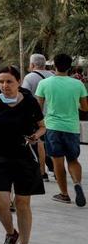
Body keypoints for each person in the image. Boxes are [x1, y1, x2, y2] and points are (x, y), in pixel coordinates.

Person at [0, 66, 45, 244]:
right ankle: (10, 233)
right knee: (1, 201)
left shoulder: (30, 102)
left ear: (18, 82)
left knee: (23, 203)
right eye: (1, 82)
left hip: (25, 159)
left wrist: (35, 136)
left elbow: (42, 127)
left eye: (9, 81)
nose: (4, 86)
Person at [36, 53, 88, 207]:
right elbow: (85, 107)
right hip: (72, 127)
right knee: (73, 159)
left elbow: (37, 108)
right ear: (69, 67)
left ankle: (64, 194)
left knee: (57, 160)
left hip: (52, 126)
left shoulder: (44, 83)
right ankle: (77, 183)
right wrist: (74, 105)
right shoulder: (78, 84)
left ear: (53, 66)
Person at [22, 53, 55, 180]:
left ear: (32, 64)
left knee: (38, 143)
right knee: (50, 144)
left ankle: (42, 172)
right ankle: (55, 168)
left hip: (37, 115)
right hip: (51, 115)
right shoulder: (52, 75)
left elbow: (25, 96)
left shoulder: (29, 77)